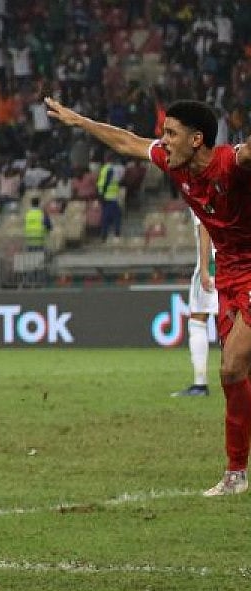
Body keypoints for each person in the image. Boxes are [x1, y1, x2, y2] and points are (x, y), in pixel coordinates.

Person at [45, 97, 250, 497]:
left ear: (197, 140)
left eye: (171, 133)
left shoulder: (231, 162)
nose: (163, 140)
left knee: (232, 366)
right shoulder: (174, 163)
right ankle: (236, 471)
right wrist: (79, 119)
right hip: (227, 272)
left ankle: (236, 472)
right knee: (235, 374)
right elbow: (126, 142)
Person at [173, 210, 217, 397]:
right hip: (239, 263)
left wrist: (205, 268)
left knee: (198, 320)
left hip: (216, 265)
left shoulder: (202, 192)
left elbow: (205, 226)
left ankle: (200, 384)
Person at [96, 154, 123, 241]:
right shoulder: (110, 168)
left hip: (107, 195)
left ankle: (105, 235)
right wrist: (102, 194)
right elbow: (106, 182)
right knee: (114, 215)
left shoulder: (104, 168)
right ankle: (113, 234)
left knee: (108, 215)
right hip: (109, 196)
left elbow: (101, 181)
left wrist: (101, 194)